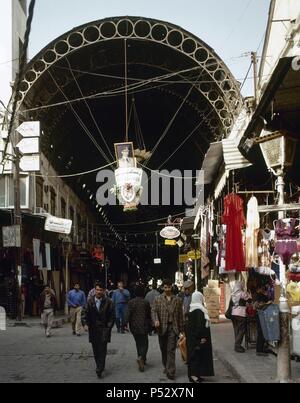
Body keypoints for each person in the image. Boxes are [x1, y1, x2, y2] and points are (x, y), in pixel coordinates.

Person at [152, 279, 184, 380]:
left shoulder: (177, 300)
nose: (167, 289)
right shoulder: (158, 299)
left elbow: (180, 315)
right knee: (163, 349)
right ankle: (166, 365)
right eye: (165, 287)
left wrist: (182, 329)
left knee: (171, 350)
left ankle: (171, 371)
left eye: (169, 287)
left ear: (171, 287)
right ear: (162, 288)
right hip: (161, 328)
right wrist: (156, 320)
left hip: (173, 328)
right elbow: (153, 311)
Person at [82, 282, 115, 379]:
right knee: (96, 350)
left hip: (104, 329)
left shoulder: (109, 302)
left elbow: (112, 317)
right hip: (93, 330)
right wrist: (85, 324)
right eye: (97, 290)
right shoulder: (90, 301)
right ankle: (99, 365)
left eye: (101, 290)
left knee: (102, 349)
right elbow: (84, 314)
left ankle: (99, 368)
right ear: (94, 290)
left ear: (104, 291)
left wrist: (108, 328)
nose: (99, 292)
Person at [186, 291, 214, 383]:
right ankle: (193, 376)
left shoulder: (192, 308)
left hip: (192, 338)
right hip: (197, 338)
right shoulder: (199, 310)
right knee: (195, 356)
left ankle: (196, 374)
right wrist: (200, 338)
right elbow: (199, 326)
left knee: (196, 356)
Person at [126, 286, 152, 372]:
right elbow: (149, 314)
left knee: (138, 343)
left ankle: (140, 358)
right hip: (144, 326)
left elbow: (128, 314)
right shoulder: (145, 302)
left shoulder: (131, 302)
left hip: (134, 327)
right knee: (145, 343)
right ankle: (142, 358)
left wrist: (125, 324)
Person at [231, 281, 252, 353]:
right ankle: (237, 345)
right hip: (240, 313)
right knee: (242, 330)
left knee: (236, 329)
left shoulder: (233, 294)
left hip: (233, 314)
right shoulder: (242, 293)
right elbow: (249, 300)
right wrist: (248, 294)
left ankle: (237, 344)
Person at [254, 286, 272, 356]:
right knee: (261, 333)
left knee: (262, 332)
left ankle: (261, 348)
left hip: (260, 316)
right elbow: (258, 305)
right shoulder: (260, 296)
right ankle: (259, 350)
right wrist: (268, 303)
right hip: (260, 316)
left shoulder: (258, 296)